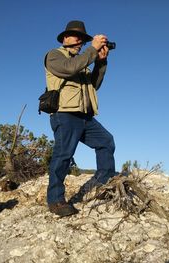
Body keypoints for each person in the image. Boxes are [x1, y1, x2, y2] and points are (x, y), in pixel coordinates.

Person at [45, 20, 116, 217]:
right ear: (65, 38)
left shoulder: (84, 61)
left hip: (84, 115)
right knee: (63, 155)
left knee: (106, 142)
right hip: (65, 114)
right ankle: (56, 200)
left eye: (82, 39)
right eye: (75, 36)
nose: (79, 41)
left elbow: (94, 85)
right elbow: (69, 69)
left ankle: (104, 186)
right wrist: (92, 51)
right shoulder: (54, 56)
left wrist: (101, 62)